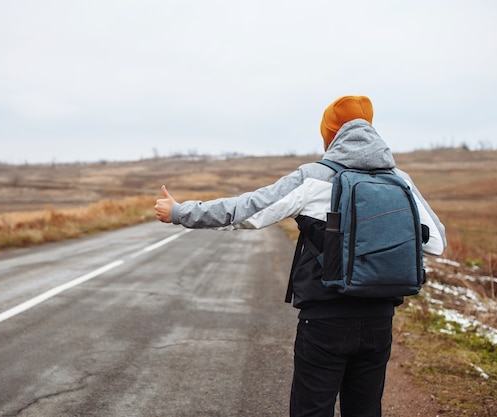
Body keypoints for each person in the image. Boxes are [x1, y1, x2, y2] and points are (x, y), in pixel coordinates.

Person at [154, 95, 446, 417]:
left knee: (311, 410)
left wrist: (180, 212)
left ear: (330, 134)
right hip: (380, 320)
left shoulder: (314, 178)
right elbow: (436, 243)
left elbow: (247, 211)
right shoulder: (400, 180)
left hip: (325, 320)